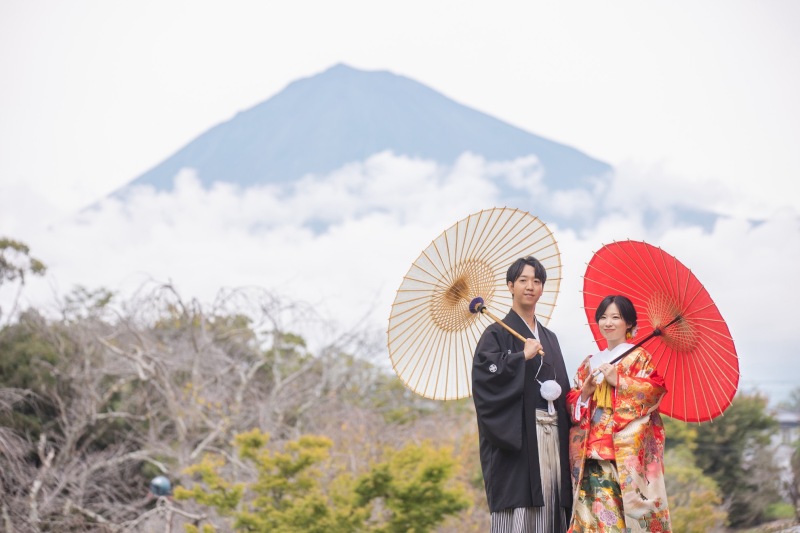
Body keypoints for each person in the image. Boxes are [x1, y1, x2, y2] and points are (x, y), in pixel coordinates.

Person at [472, 256, 572, 533]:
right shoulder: (494, 334)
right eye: (523, 280)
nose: (530, 286)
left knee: (552, 502)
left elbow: (563, 388)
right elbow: (484, 382)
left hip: (553, 437)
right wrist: (519, 357)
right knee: (521, 510)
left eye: (537, 281)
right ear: (510, 286)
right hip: (519, 438)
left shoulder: (549, 338)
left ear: (542, 289)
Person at [566, 295, 671, 532]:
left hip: (622, 456)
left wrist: (620, 381)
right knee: (589, 521)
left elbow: (654, 392)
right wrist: (586, 392)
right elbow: (572, 402)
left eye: (616, 317)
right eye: (603, 317)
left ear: (630, 324)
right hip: (589, 454)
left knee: (618, 522)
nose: (608, 323)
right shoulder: (589, 363)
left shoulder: (639, 358)